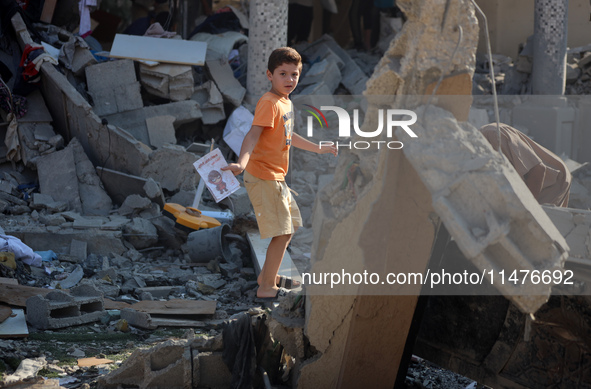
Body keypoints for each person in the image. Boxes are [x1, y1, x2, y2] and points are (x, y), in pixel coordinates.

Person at [222, 47, 338, 301]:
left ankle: (267, 277)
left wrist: (318, 148)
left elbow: (288, 134)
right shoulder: (268, 103)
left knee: (292, 225)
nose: (289, 80)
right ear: (269, 75)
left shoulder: (286, 102)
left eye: (294, 74)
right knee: (282, 231)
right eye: (282, 74)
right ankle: (266, 288)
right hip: (263, 175)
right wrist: (241, 163)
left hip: (276, 176)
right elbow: (252, 134)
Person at [479, 123, 571, 207]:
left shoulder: (492, 135)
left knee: (532, 220)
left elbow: (538, 170)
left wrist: (528, 208)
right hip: (535, 178)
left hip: (553, 179)